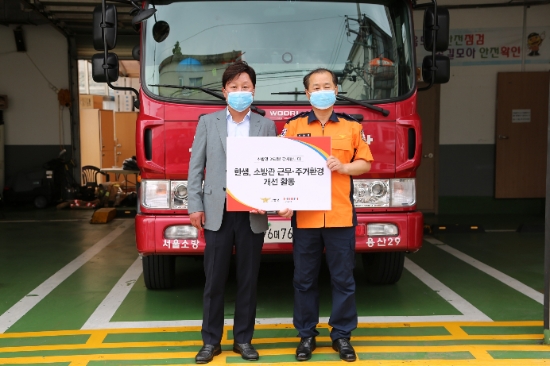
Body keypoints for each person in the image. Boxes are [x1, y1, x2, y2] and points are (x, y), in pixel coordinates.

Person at [188, 61, 292, 364]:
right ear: (224, 92)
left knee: (248, 279)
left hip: (252, 213)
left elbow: (272, 170)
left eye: (245, 87)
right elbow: (196, 169)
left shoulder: (265, 125)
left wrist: (274, 201)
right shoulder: (208, 122)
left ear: (254, 91)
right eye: (233, 87)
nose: (239, 92)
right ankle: (211, 341)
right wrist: (194, 205)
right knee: (214, 280)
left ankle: (243, 339)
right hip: (216, 212)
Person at [280, 68, 373, 362]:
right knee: (304, 279)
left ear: (336, 89)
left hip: (340, 216)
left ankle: (342, 336)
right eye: (316, 87)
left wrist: (344, 168)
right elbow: (280, 167)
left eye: (327, 85)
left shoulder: (351, 127)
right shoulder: (292, 128)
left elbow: (366, 163)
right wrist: (282, 200)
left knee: (343, 279)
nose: (322, 90)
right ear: (307, 94)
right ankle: (306, 335)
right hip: (305, 217)